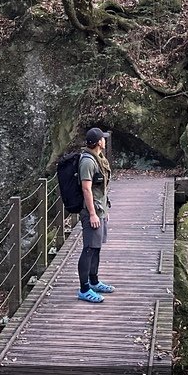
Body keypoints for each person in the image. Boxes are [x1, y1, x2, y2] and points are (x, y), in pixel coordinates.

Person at [77, 127, 114, 303]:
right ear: (99, 142)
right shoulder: (88, 162)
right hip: (91, 211)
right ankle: (84, 289)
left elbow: (101, 189)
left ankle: (94, 281)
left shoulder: (99, 159)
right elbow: (86, 188)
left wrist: (104, 210)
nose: (105, 140)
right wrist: (92, 214)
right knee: (89, 248)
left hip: (100, 209)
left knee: (97, 247)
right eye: (103, 138)